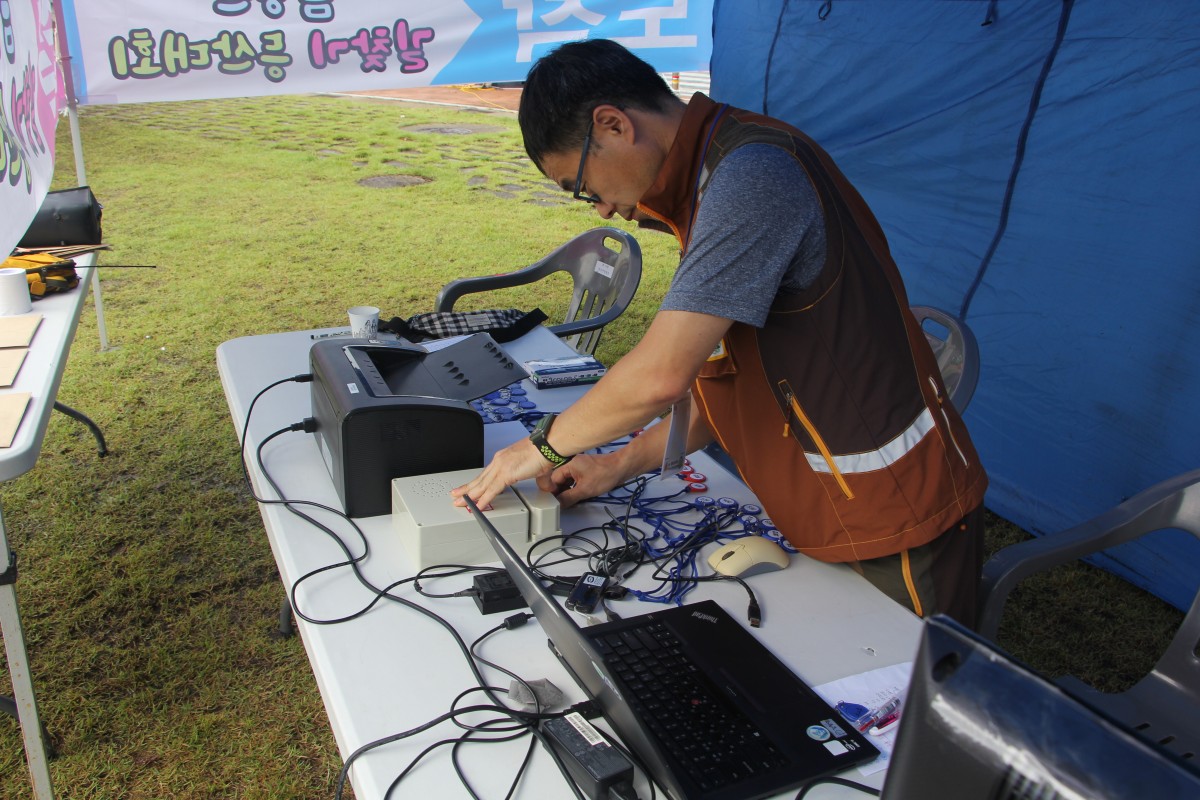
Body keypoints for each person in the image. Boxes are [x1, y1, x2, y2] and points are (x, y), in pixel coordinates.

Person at [452, 39, 989, 625]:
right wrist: (617, 464)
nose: (600, 209)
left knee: (909, 678)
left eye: (581, 185)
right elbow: (731, 379)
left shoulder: (752, 175)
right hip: (827, 509)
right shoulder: (707, 182)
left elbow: (661, 376)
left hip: (894, 514)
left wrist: (539, 447)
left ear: (612, 125)